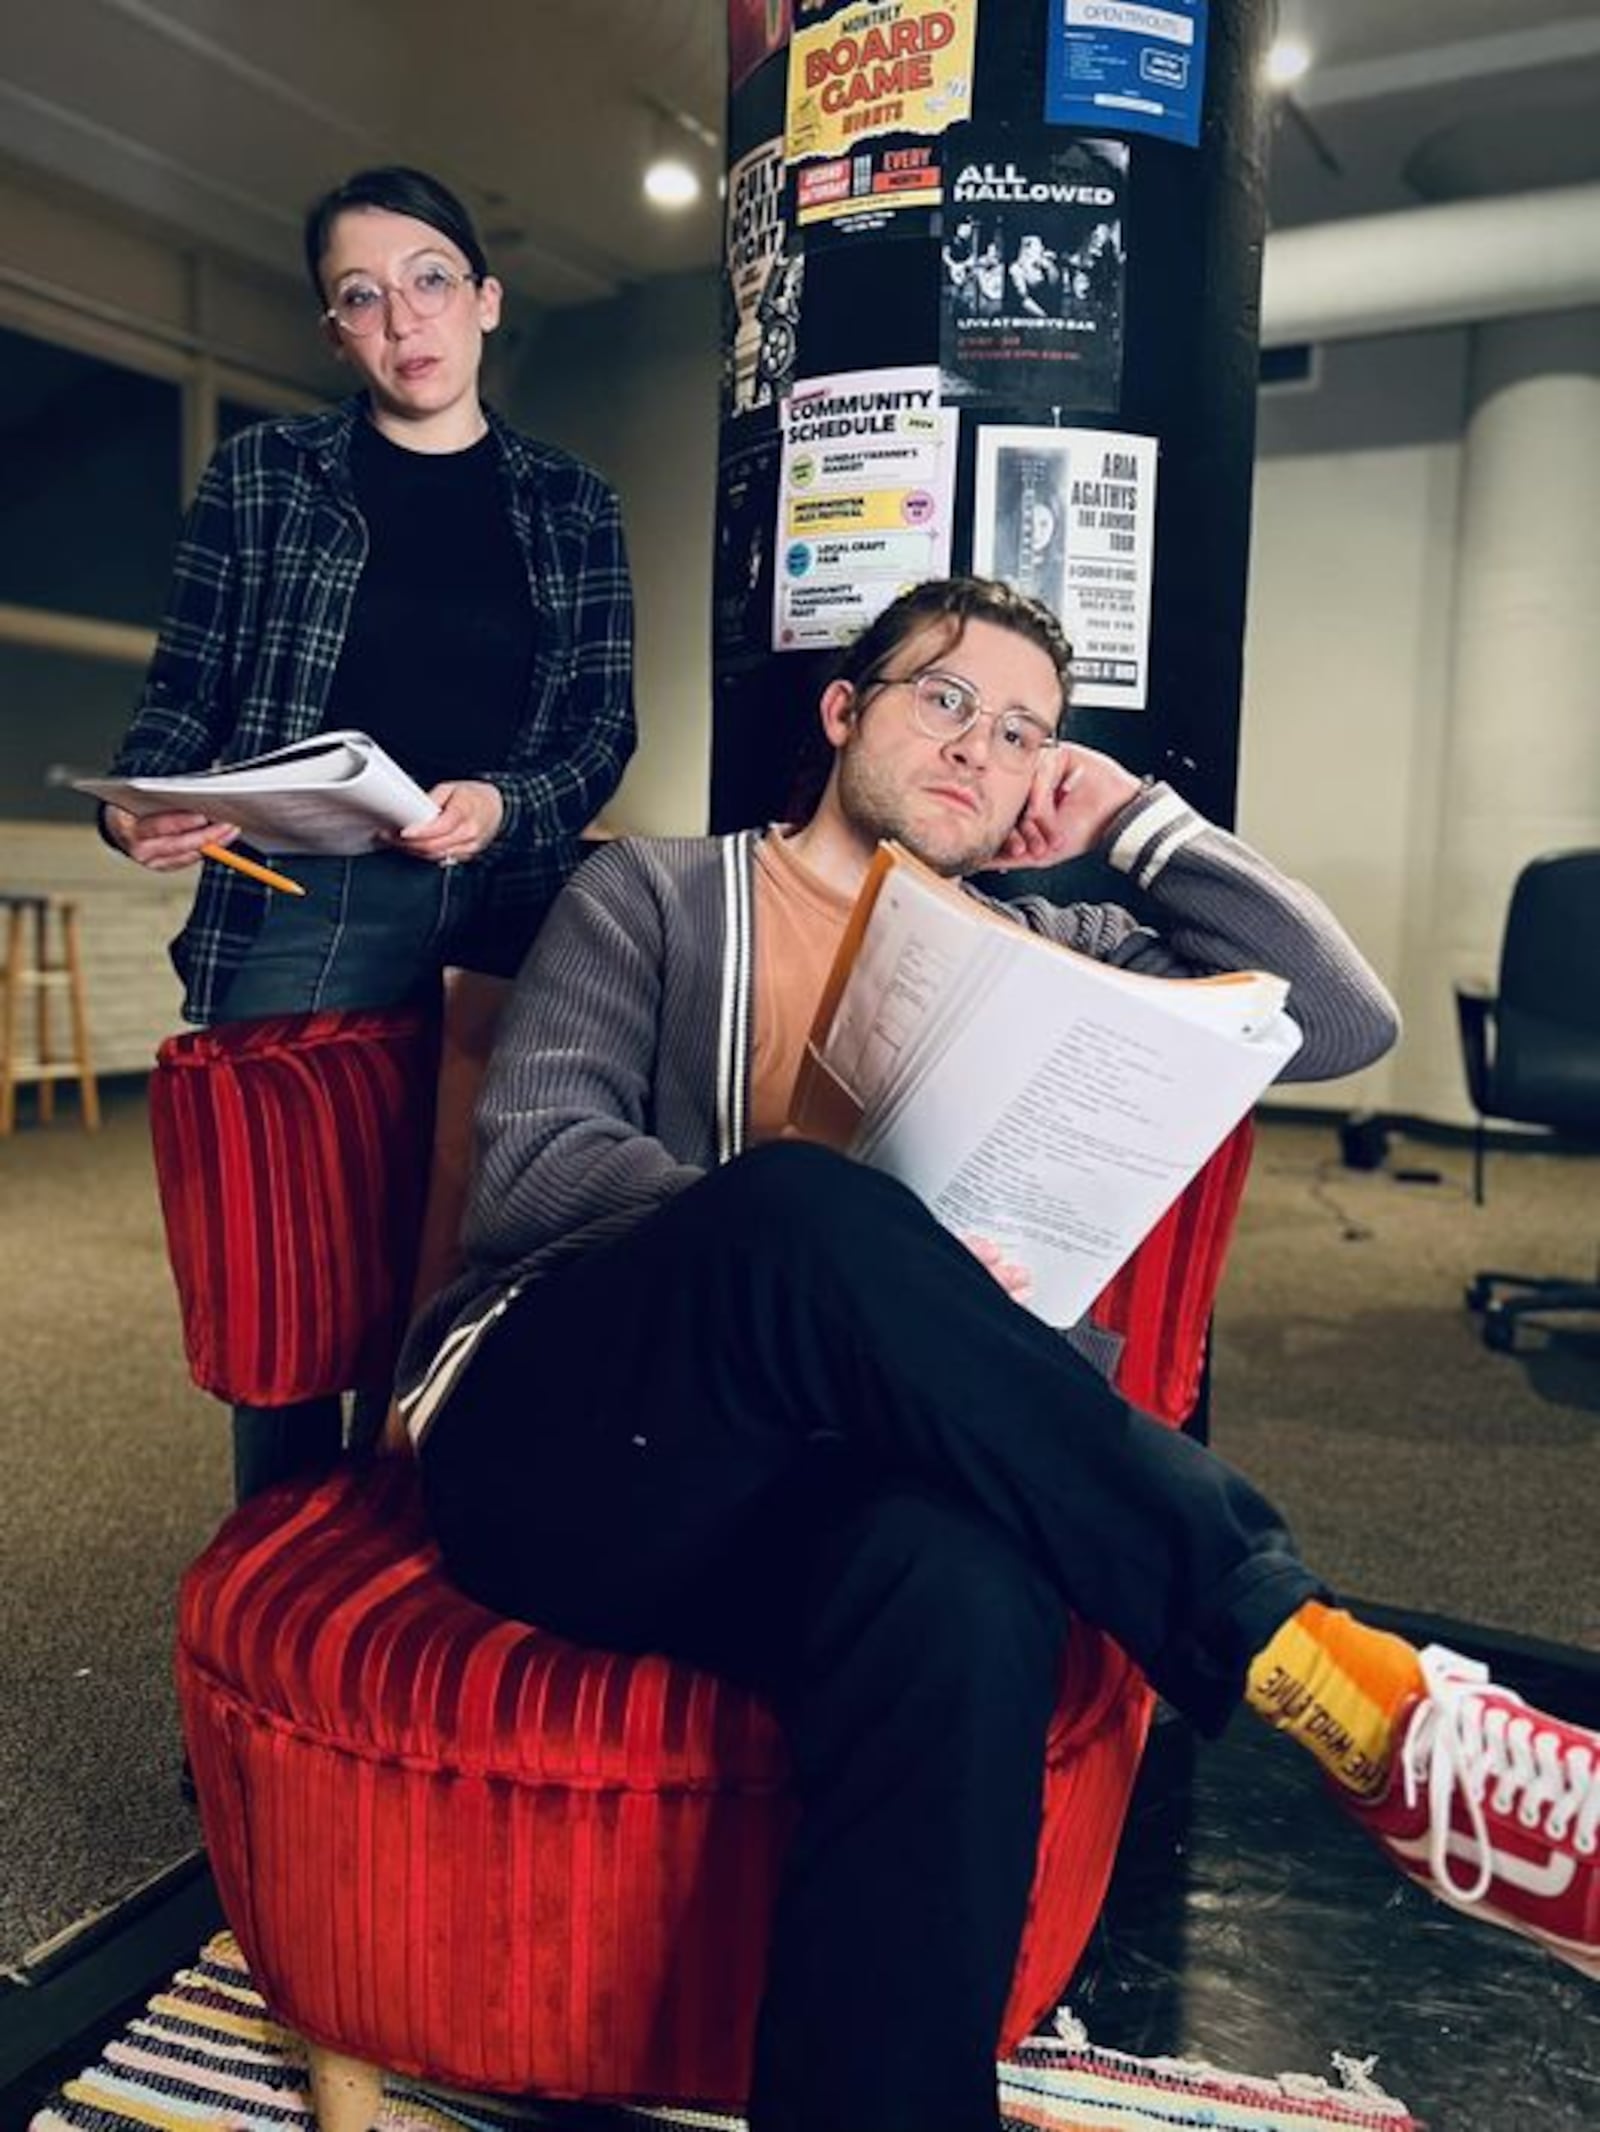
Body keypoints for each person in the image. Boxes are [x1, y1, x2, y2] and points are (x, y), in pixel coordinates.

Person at [397, 578, 1599, 2132]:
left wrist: (1133, 817)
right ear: (844, 712)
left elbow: (1342, 1022)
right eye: (943, 700)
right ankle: (1336, 1684)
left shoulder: (1057, 940)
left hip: (813, 1499)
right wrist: (833, 1236)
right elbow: (533, 1170)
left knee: (960, 1579)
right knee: (798, 1206)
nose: (980, 746)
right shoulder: (658, 897)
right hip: (573, 1446)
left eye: (1024, 730)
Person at [99, 165, 636, 1501]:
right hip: (296, 895)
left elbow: (598, 726)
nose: (404, 318)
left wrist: (512, 802)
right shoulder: (265, 478)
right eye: (362, 296)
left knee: (472, 1233)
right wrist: (140, 804)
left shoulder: (573, 503)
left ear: (486, 302)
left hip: (505, 894)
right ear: (338, 331)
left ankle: (434, 1530)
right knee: (288, 1248)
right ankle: (278, 1552)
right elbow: (183, 698)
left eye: (430, 280)